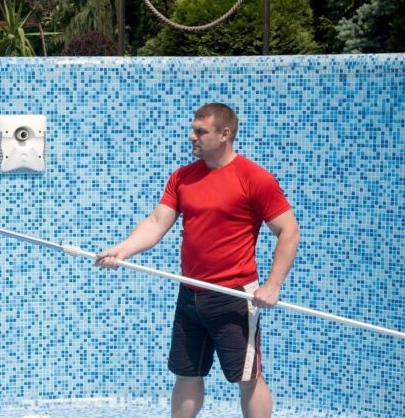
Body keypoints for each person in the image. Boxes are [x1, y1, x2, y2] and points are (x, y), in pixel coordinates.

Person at [96, 103, 299, 418]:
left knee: (247, 379)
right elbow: (155, 222)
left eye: (200, 131)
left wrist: (272, 286)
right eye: (193, 129)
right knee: (187, 373)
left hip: (234, 297)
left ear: (224, 134)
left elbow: (288, 231)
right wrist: (122, 250)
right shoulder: (183, 177)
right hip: (190, 294)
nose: (192, 136)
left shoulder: (254, 178)